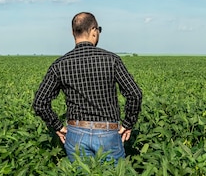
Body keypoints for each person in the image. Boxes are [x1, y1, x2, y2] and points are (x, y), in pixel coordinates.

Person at [32, 12, 143, 162]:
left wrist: (58, 127)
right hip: (108, 133)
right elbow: (134, 94)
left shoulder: (59, 65)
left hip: (76, 133)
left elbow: (40, 103)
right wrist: (128, 123)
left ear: (73, 33)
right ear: (93, 30)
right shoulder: (112, 60)